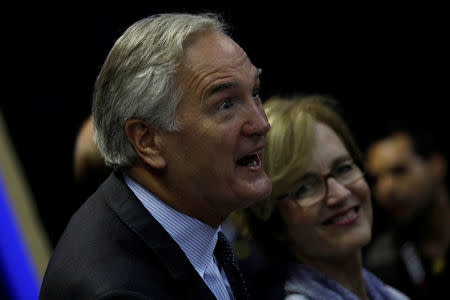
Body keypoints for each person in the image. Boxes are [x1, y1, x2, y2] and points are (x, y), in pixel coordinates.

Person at [39, 12, 272, 300]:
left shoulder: (192, 222)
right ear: (148, 140)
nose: (262, 124)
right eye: (225, 104)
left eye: (255, 93)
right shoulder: (117, 292)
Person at [236, 95, 409, 300]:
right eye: (305, 188)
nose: (341, 193)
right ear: (273, 223)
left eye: (343, 169)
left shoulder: (391, 295)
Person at [363, 120, 450, 300]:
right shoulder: (381, 263)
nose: (385, 190)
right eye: (376, 179)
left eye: (399, 171)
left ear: (436, 166)